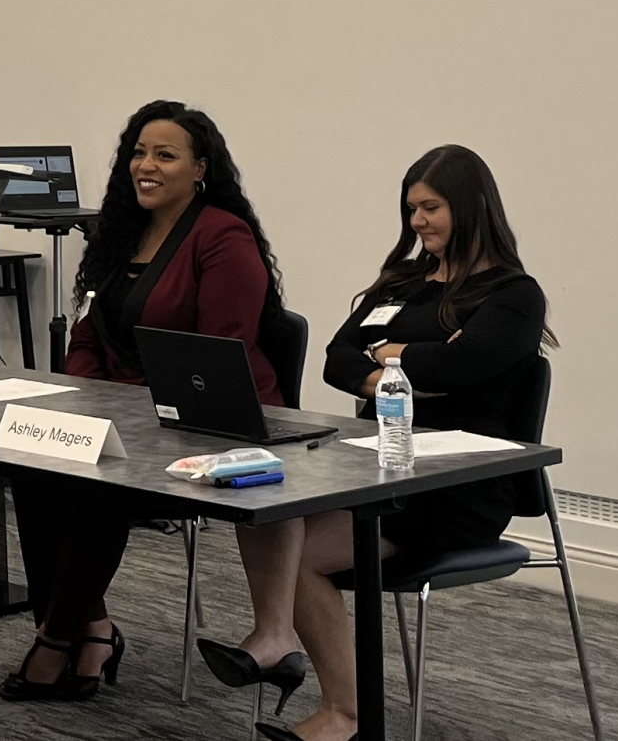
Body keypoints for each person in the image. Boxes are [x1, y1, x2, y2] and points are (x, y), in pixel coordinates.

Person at [199, 144, 556, 741]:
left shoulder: (513, 295)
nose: (417, 221)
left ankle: (344, 713)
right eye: (411, 208)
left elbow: (462, 368)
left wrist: (392, 356)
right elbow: (337, 361)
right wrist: (407, 367)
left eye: (431, 207)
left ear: (470, 206)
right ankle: (276, 642)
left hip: (455, 486)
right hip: (374, 468)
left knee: (304, 554)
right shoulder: (404, 283)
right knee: (262, 507)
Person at [0, 100, 285, 703]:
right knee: (31, 467)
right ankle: (94, 628)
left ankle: (56, 638)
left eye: (164, 154)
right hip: (127, 413)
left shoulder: (221, 236)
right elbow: (85, 334)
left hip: (209, 422)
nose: (145, 166)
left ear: (200, 167)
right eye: (138, 152)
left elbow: (213, 359)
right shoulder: (119, 232)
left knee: (92, 481)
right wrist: (91, 398)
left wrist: (121, 409)